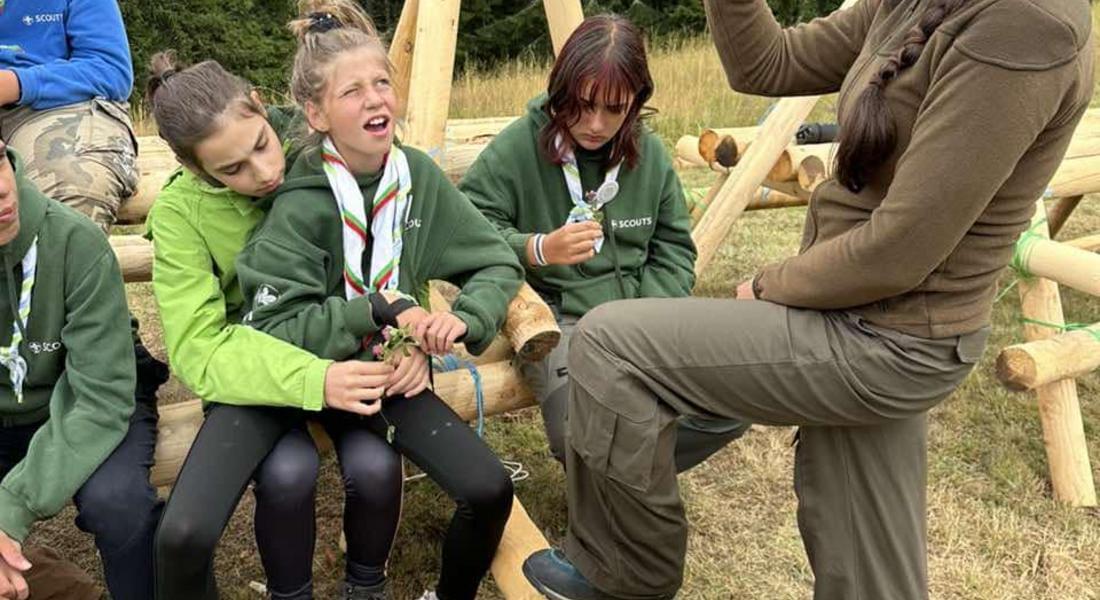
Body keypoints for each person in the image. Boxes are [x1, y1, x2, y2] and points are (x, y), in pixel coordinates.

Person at [521, 0, 1095, 599]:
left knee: (610, 345)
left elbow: (902, 246)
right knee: (869, 572)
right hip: (868, 315)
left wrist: (770, 285)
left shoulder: (1025, 25)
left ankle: (623, 578)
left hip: (889, 336)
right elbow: (767, 64)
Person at [235, 2, 526, 599]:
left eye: (382, 83)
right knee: (342, 472)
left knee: (489, 488)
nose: (375, 100)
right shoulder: (299, 200)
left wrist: (459, 322)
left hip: (391, 373)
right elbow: (271, 326)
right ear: (315, 113)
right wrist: (375, 320)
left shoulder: (415, 176)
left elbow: (496, 259)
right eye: (352, 92)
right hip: (309, 375)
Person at [145, 50, 407, 600]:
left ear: (263, 106)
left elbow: (402, 234)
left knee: (375, 464)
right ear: (194, 169)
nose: (264, 174)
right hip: (257, 372)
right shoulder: (179, 215)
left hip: (346, 343)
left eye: (261, 145)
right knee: (243, 499)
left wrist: (409, 331)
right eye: (231, 170)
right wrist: (314, 380)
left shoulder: (322, 144)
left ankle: (366, 586)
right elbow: (199, 350)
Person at [460, 14, 749, 473]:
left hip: (638, 317)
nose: (595, 124)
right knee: (582, 432)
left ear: (636, 101)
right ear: (562, 90)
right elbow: (465, 228)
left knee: (735, 401)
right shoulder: (519, 146)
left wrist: (644, 312)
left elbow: (674, 249)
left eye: (614, 109)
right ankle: (620, 484)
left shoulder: (648, 153)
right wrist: (536, 248)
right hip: (559, 322)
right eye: (583, 104)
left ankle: (627, 478)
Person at [0, 138, 160, 600]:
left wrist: (14, 504)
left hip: (86, 402)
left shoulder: (75, 242)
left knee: (118, 502)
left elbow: (100, 396)